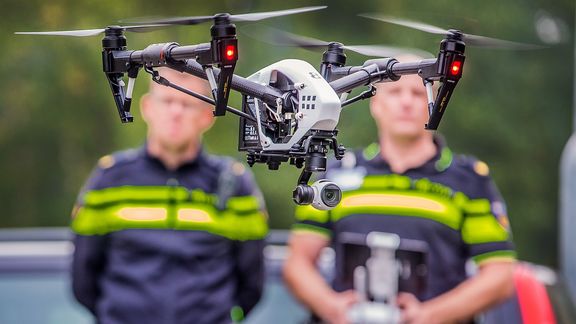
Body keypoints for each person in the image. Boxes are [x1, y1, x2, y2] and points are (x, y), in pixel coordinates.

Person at [283, 55, 516, 324]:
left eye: (418, 93)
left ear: (436, 104)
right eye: (394, 91)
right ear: (375, 103)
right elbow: (297, 262)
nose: (406, 102)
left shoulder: (469, 180)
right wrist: (331, 307)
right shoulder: (336, 173)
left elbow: (499, 276)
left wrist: (431, 315)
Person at [71, 68, 268, 324]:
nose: (176, 112)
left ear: (208, 115)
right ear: (146, 107)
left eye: (188, 104)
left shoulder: (235, 185)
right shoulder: (109, 180)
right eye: (167, 101)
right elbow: (83, 281)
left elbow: (252, 283)